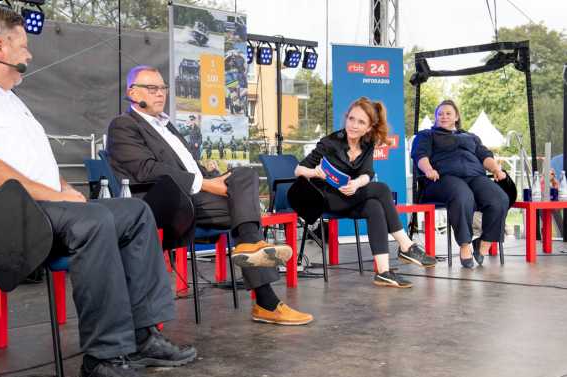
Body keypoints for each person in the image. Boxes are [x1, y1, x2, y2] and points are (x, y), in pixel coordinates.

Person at [0, 8, 195, 377]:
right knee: (93, 222)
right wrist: (59, 197)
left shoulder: (8, 99)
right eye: (23, 45)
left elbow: (39, 166)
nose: (29, 54)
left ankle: (142, 335)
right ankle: (103, 361)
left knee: (133, 212)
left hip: (32, 209)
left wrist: (66, 190)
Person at [106, 65, 313, 325]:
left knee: (245, 175)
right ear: (132, 92)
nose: (160, 94)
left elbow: (187, 164)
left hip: (194, 193)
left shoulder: (167, 126)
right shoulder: (124, 125)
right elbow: (147, 170)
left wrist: (210, 176)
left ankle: (252, 252)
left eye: (163, 88)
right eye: (152, 88)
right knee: (244, 210)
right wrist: (205, 183)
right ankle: (265, 299)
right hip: (163, 203)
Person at [294, 97, 436, 288]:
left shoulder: (367, 144)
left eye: (361, 122)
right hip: (327, 199)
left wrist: (357, 184)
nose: (353, 125)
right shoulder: (330, 142)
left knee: (374, 207)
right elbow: (299, 170)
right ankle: (406, 245)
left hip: (350, 197)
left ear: (368, 128)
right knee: (383, 189)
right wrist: (315, 172)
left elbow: (368, 173)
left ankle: (384, 272)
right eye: (351, 119)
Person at [411, 100, 509, 268]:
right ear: (435, 117)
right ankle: (465, 245)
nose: (444, 116)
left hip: (475, 177)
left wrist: (496, 170)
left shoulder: (470, 137)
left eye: (448, 113)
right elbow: (420, 155)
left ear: (456, 117)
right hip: (442, 178)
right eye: (440, 114)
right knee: (462, 195)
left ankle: (483, 244)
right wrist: (428, 170)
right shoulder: (427, 135)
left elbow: (485, 155)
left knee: (499, 198)